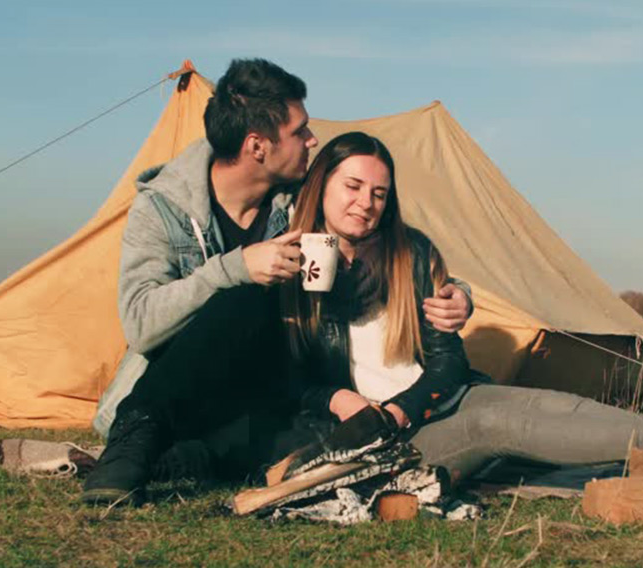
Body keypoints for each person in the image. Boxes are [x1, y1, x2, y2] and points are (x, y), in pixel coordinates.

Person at [82, 61, 472, 504]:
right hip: (175, 393)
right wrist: (235, 268)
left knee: (314, 442)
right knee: (244, 298)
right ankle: (136, 437)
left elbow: (382, 242)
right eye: (299, 131)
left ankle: (192, 459)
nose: (312, 140)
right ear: (257, 146)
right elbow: (140, 325)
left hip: (263, 397)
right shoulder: (162, 209)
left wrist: (459, 294)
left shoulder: (298, 202)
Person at [281, 131, 643, 486]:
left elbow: (448, 360)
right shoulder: (289, 258)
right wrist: (335, 400)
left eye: (379, 194)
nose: (365, 203)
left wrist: (405, 407)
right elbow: (281, 374)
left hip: (429, 403)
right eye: (353, 186)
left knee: (538, 402)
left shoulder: (410, 253)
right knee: (498, 424)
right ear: (322, 183)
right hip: (378, 441)